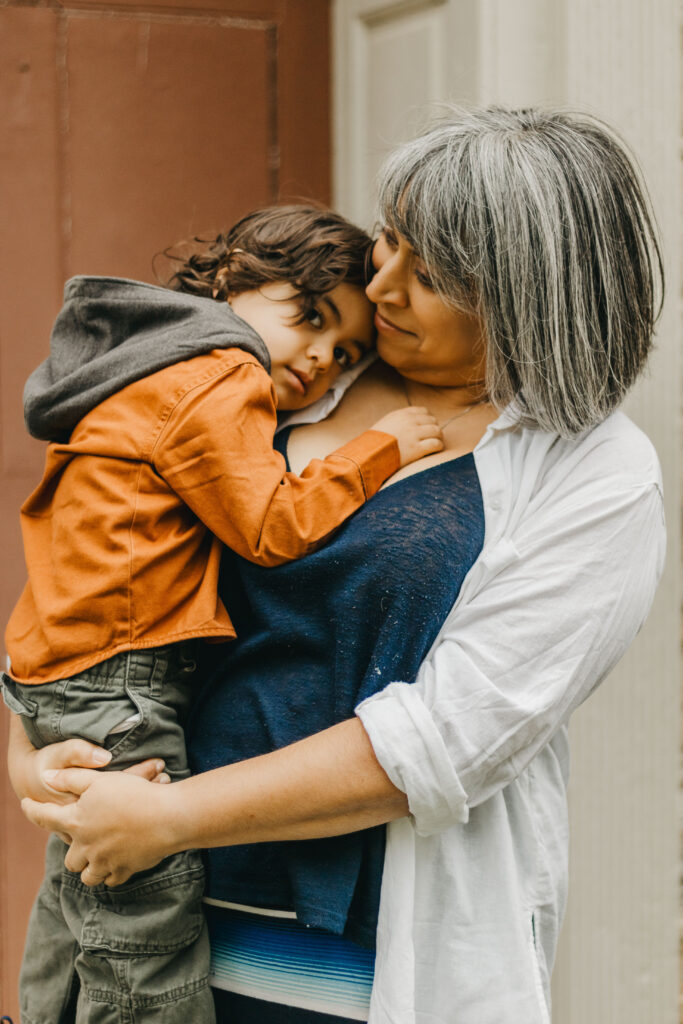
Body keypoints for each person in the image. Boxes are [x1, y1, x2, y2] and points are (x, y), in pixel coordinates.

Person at [16, 108, 666, 1024]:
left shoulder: (598, 477)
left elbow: (446, 740)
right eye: (391, 240)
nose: (382, 282)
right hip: (146, 899)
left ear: (529, 300)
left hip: (355, 953)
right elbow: (100, 550)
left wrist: (172, 817)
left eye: (430, 275)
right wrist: (35, 743)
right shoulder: (277, 368)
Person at [1, 204, 443, 1024]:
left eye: (344, 352)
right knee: (147, 917)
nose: (319, 358)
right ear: (234, 276)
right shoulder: (222, 369)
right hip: (122, 671)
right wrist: (378, 447)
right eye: (308, 317)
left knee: (84, 889)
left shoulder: (144, 365)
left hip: (66, 662)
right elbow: (270, 528)